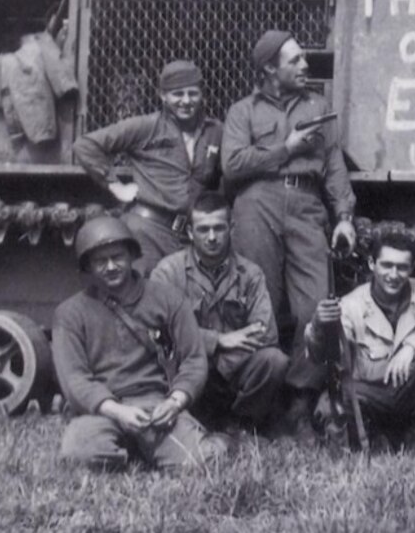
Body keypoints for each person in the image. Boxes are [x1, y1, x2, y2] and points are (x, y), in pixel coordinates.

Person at [222, 30, 356, 435]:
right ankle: (262, 403)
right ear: (268, 69)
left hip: (306, 206)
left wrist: (344, 216)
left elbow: (333, 165)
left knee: (313, 305)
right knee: (260, 303)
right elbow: (232, 165)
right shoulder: (242, 112)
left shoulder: (318, 107)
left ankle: (300, 401)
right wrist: (287, 147)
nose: (304, 66)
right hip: (255, 205)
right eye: (294, 61)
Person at [51, 216, 228, 470]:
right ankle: (135, 450)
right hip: (102, 410)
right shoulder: (70, 313)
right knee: (79, 455)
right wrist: (116, 411)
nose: (111, 266)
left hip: (156, 405)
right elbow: (75, 379)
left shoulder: (167, 298)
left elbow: (194, 359)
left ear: (132, 255)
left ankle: (196, 443)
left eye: (118, 257)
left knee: (202, 462)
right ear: (87, 266)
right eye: (100, 261)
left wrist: (175, 402)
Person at [304, 233, 415, 448]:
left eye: (402, 267)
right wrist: (318, 326)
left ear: (412, 267)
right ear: (372, 264)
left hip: (413, 391)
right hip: (370, 393)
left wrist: (413, 347)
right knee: (330, 408)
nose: (394, 274)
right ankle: (379, 437)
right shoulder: (352, 304)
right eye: (387, 265)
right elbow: (322, 356)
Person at [151, 192, 289, 435]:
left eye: (219, 228)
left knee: (273, 360)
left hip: (232, 374)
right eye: (203, 230)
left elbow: (266, 334)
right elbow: (158, 330)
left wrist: (216, 360)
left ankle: (241, 424)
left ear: (231, 229)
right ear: (191, 233)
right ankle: (191, 419)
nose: (212, 237)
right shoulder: (169, 272)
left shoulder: (251, 274)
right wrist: (218, 341)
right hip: (187, 371)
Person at [73, 59, 222, 274]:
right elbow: (86, 145)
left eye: (192, 93)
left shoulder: (215, 131)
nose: (186, 101)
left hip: (188, 237)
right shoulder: (146, 126)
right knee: (144, 298)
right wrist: (116, 186)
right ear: (163, 96)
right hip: (147, 232)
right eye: (177, 94)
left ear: (202, 94)